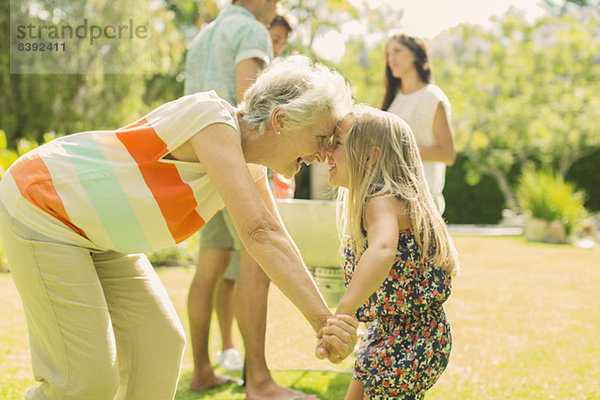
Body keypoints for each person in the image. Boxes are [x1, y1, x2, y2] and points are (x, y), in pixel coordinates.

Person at [0, 55, 358, 400]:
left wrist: (324, 320)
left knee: (159, 345)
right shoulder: (212, 120)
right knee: (85, 382)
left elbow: (275, 235)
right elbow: (259, 232)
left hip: (96, 235)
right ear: (281, 120)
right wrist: (323, 321)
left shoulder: (248, 165)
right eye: (321, 137)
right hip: (43, 205)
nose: (324, 154)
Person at [322, 105, 459, 400]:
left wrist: (345, 311)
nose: (326, 153)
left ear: (371, 155)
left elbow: (383, 250)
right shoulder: (396, 199)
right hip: (404, 331)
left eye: (337, 144)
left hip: (407, 337)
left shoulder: (380, 200)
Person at [183, 0, 281, 395]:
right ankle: (258, 380)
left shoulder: (203, 38)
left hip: (202, 166)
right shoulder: (252, 31)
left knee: (208, 268)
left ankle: (202, 370)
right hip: (237, 164)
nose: (279, 4)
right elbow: (251, 106)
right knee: (257, 266)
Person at [381, 33, 456, 214]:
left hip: (422, 202)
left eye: (397, 51)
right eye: (388, 54)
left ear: (415, 54)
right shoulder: (394, 100)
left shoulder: (432, 97)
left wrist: (400, 151)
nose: (391, 59)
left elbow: (448, 154)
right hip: (389, 195)